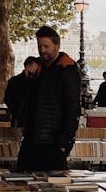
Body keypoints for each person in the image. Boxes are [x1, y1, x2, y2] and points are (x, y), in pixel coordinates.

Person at [17, 25, 81, 171]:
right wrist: (24, 76)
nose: (42, 50)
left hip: (53, 141)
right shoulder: (38, 68)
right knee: (22, 178)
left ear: (57, 46)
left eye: (46, 46)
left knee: (51, 181)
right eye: (40, 46)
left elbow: (72, 110)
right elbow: (17, 95)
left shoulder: (67, 69)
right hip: (32, 137)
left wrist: (63, 144)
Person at [4, 56, 39, 128]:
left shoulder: (36, 81)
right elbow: (7, 98)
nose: (36, 69)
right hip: (18, 117)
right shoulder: (14, 81)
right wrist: (16, 111)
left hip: (31, 118)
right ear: (28, 66)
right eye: (35, 66)